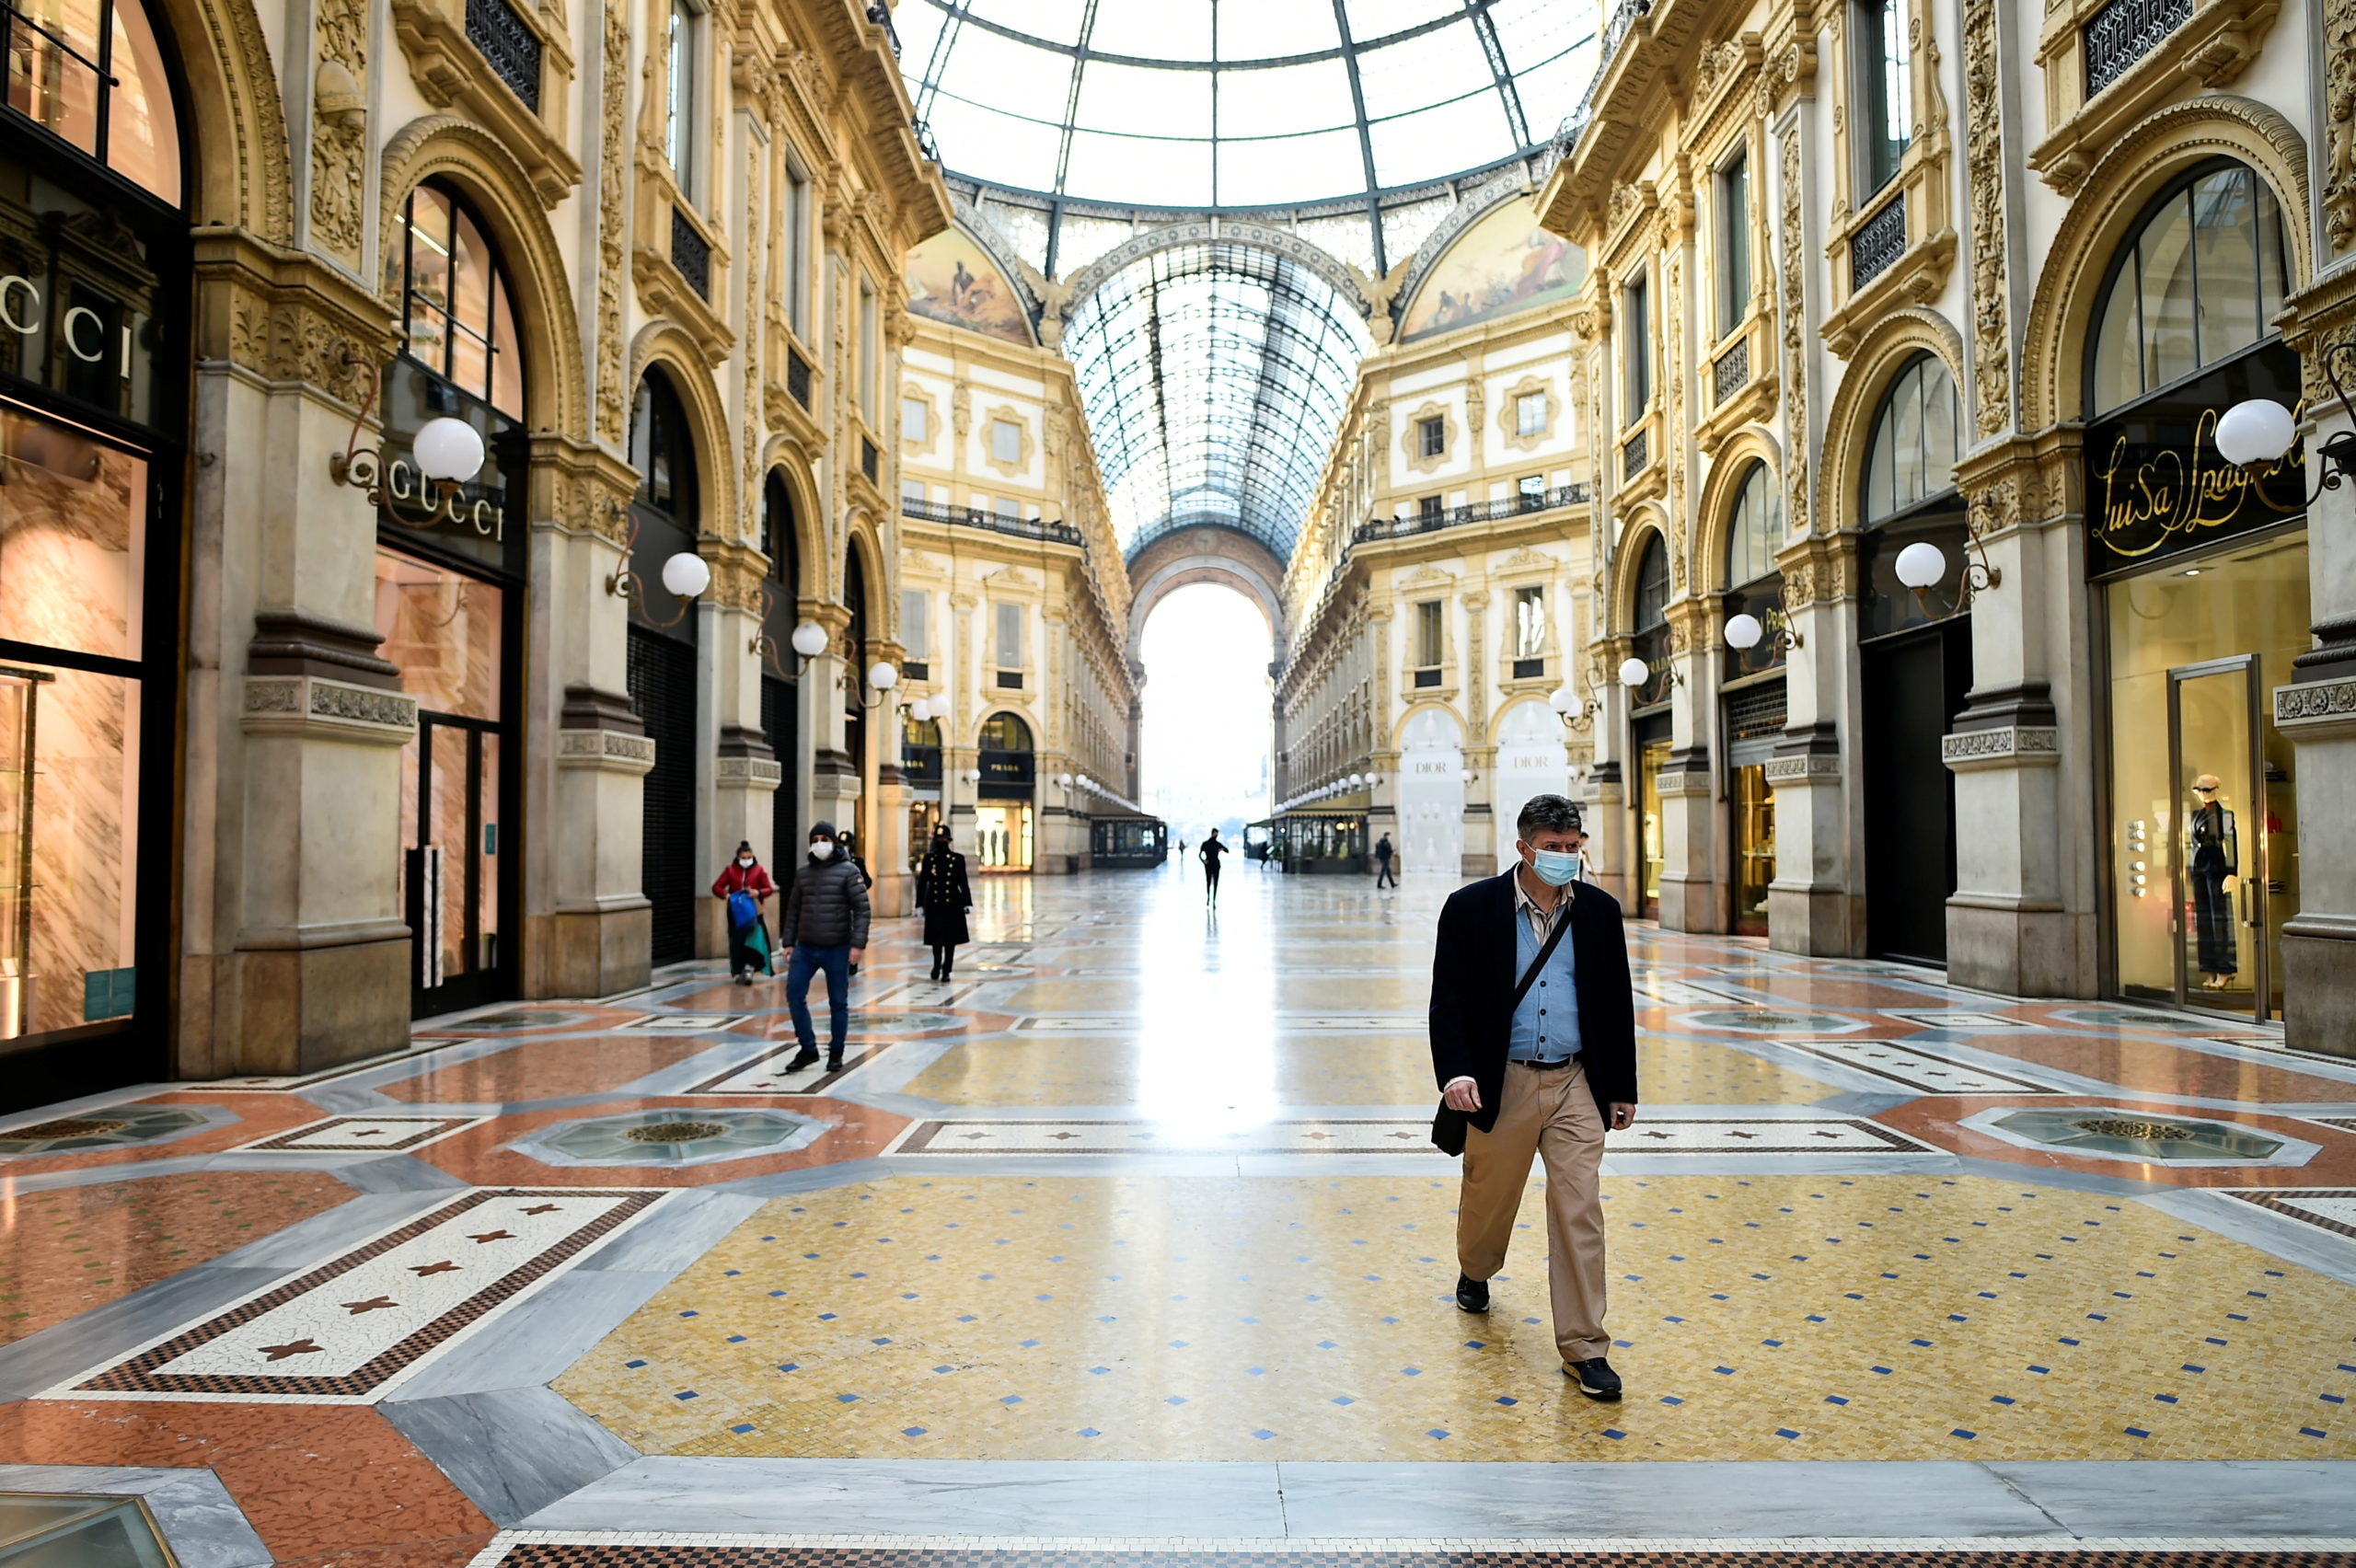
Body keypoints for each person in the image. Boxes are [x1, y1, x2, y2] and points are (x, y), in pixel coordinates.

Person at [1427, 793, 1636, 1401]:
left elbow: (1615, 1002)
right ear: (1523, 848)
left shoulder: (1598, 912)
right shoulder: (1471, 910)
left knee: (1580, 1212)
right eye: (1553, 850)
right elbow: (1449, 1001)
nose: (1566, 859)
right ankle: (1476, 1267)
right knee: (1489, 1198)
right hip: (1504, 1079)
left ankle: (1585, 1347)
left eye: (1574, 849)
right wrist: (1457, 1073)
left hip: (1576, 1081)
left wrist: (1620, 1087)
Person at [780, 820, 871, 1072]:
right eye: (815, 840)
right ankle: (807, 1047)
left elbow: (862, 909)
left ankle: (836, 1051)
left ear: (834, 842)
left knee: (838, 1001)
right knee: (794, 995)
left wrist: (857, 944)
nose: (820, 844)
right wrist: (788, 942)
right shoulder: (803, 874)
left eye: (824, 839)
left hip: (837, 947)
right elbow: (793, 910)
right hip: (806, 948)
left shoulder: (849, 871)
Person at [2189, 773, 2238, 989]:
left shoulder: (2224, 815)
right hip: (2199, 869)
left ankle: (2225, 969)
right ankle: (2209, 967)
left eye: (2207, 790)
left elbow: (2230, 843)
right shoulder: (2195, 815)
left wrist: (2232, 871)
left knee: (2220, 920)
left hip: (2216, 869)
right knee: (2203, 920)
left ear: (2215, 791)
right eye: (2200, 790)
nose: (2203, 795)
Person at [711, 841, 778, 984]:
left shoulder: (759, 870)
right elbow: (716, 887)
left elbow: (769, 889)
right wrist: (726, 894)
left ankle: (750, 967)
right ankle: (741, 969)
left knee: (754, 939)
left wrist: (757, 892)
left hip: (753, 912)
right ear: (738, 857)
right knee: (738, 940)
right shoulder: (730, 870)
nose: (746, 860)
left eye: (749, 857)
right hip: (736, 912)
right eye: (744, 857)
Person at [914, 824, 974, 982]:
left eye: (943, 839)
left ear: (949, 840)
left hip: (952, 903)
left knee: (950, 940)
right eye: (938, 839)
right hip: (934, 903)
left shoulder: (957, 859)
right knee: (936, 939)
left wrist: (967, 902)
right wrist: (919, 904)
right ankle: (936, 965)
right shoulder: (929, 859)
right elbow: (922, 883)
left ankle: (946, 969)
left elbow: (963, 882)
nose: (941, 842)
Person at [1198, 828, 1230, 905]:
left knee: (1212, 883)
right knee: (1210, 882)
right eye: (1216, 834)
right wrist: (1203, 861)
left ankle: (1212, 900)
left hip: (1212, 865)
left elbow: (1227, 850)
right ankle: (1210, 898)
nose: (1216, 835)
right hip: (1211, 865)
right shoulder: (1209, 844)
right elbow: (1199, 855)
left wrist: (1221, 849)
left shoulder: (1212, 844)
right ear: (1213, 833)